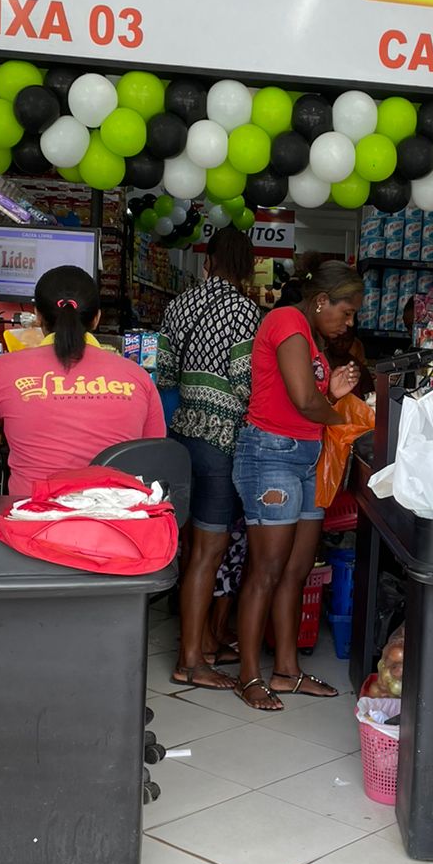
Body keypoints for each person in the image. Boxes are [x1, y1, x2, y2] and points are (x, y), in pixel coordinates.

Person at [233, 255, 363, 710]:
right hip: (271, 455)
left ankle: (286, 671)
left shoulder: (309, 337)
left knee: (297, 571)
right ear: (321, 300)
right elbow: (305, 401)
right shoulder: (287, 320)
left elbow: (311, 401)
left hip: (305, 458)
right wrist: (344, 418)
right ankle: (249, 675)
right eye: (345, 313)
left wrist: (336, 399)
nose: (348, 324)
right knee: (266, 571)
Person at [0, 265, 164, 494]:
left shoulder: (2, 369)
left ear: (38, 316)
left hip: (32, 522)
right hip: (116, 522)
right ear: (96, 318)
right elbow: (152, 455)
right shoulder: (137, 377)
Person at [158, 228, 262, 689]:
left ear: (210, 261)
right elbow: (245, 381)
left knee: (191, 546)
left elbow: (164, 372)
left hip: (182, 435)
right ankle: (190, 660)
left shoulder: (178, 305)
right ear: (245, 266)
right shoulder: (244, 311)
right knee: (210, 550)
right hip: (222, 439)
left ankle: (198, 644)